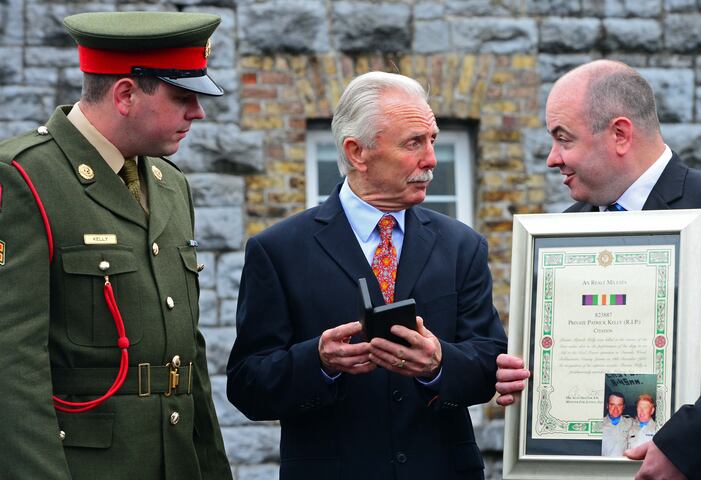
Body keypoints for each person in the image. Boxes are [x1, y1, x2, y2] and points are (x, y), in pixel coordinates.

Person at [495, 59, 701, 479]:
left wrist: (681, 447)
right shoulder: (563, 232)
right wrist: (524, 376)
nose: (552, 159)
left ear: (620, 134)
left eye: (563, 139)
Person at [227, 71, 507, 480]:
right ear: (357, 152)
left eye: (432, 139)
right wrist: (318, 360)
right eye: (414, 143)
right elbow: (248, 384)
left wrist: (439, 363)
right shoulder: (279, 250)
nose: (431, 159)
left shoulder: (462, 245)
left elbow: (488, 364)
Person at [0, 11, 232, 480]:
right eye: (183, 97)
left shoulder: (169, 183)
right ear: (126, 94)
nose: (198, 112)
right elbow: (12, 365)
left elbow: (188, 355)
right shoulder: (25, 177)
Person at [601, 392, 633, 456]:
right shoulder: (599, 423)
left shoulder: (631, 422)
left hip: (623, 465)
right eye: (612, 405)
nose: (615, 409)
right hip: (603, 464)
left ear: (623, 407)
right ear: (607, 406)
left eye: (619, 405)